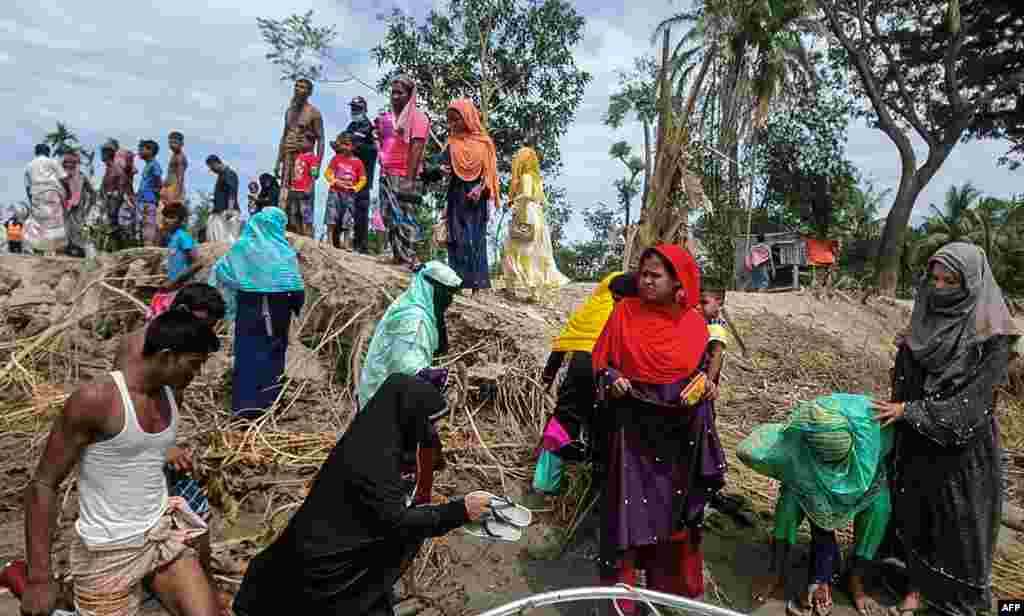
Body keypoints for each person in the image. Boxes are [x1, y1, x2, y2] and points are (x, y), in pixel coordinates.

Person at [232, 373, 490, 616]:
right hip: (321, 577)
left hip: (338, 567)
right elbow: (398, 522)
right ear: (410, 418)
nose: (431, 430)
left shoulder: (376, 436)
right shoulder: (372, 462)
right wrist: (460, 511)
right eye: (429, 422)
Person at [21, 310, 221, 616]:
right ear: (167, 357)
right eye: (194, 365)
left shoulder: (171, 396)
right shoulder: (97, 401)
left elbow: (146, 456)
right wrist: (38, 578)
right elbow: (44, 484)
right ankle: (20, 578)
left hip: (159, 536)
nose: (197, 375)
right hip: (107, 550)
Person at [874, 242, 1019, 616]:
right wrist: (906, 358)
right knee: (913, 513)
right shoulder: (922, 319)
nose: (938, 288)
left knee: (953, 524)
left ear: (970, 283)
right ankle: (912, 588)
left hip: (961, 450)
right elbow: (906, 378)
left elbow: (972, 404)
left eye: (949, 281)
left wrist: (910, 409)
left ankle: (935, 596)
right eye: (934, 278)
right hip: (915, 440)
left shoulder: (992, 336)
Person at [592, 245, 723, 612]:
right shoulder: (623, 314)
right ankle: (623, 602)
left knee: (674, 518)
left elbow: (702, 377)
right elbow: (602, 363)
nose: (646, 280)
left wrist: (707, 387)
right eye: (643, 273)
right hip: (632, 432)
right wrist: (613, 378)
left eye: (655, 275)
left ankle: (670, 597)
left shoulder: (696, 324)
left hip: (678, 435)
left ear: (677, 282)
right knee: (628, 515)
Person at [740, 394, 894, 616]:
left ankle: (856, 580)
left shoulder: (882, 427)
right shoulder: (807, 429)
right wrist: (820, 575)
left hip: (866, 485)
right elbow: (747, 450)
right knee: (789, 502)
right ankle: (776, 571)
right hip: (810, 474)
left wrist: (820, 575)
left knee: (879, 509)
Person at [358, 261, 462, 504]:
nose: (450, 301)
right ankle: (400, 500)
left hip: (394, 394)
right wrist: (440, 378)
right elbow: (406, 368)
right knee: (409, 447)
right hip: (386, 398)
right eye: (447, 294)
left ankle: (414, 495)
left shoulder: (416, 307)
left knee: (422, 442)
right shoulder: (414, 318)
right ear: (433, 290)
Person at [530, 272, 637, 500]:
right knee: (598, 424)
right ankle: (592, 489)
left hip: (585, 366)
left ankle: (545, 484)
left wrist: (549, 375)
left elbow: (565, 339)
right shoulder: (628, 314)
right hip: (604, 370)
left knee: (565, 419)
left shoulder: (592, 309)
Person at [208, 207, 305, 418]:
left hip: (249, 311)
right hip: (280, 313)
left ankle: (245, 409)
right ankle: (268, 405)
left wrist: (241, 285)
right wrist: (297, 306)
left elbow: (221, 271)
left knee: (247, 356)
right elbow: (296, 285)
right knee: (274, 356)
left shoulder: (243, 247)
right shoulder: (284, 250)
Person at [442, 99, 500, 292]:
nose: (452, 125)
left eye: (455, 120)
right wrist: (436, 169)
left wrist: (481, 188)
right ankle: (456, 282)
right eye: (449, 121)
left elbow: (490, 172)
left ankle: (478, 284)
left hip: (477, 200)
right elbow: (438, 165)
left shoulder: (484, 144)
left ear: (467, 118)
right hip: (456, 198)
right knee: (456, 240)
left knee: (474, 239)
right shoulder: (451, 143)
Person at [501, 146, 569, 302]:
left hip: (525, 213)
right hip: (536, 216)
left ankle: (510, 289)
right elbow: (541, 200)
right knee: (533, 253)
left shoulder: (525, 176)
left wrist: (512, 201)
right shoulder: (537, 178)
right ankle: (534, 293)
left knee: (511, 249)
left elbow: (526, 195)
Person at [376, 75, 430, 267]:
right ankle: (397, 255)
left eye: (400, 93)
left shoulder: (418, 118)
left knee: (406, 218)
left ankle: (410, 257)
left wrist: (409, 179)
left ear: (410, 95)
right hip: (387, 173)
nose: (395, 96)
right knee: (387, 215)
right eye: (393, 92)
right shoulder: (387, 119)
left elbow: (416, 148)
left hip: (406, 175)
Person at [276, 78, 324, 206]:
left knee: (302, 198)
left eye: (302, 87)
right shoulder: (289, 111)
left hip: (304, 159)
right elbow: (284, 135)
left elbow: (321, 140)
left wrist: (317, 165)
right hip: (287, 157)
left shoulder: (314, 113)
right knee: (284, 196)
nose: (298, 89)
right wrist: (278, 161)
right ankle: (285, 224)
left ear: (309, 92)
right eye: (297, 86)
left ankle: (301, 225)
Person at [324, 132, 368, 249]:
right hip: (335, 191)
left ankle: (347, 242)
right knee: (331, 214)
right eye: (343, 144)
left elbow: (363, 179)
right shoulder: (336, 158)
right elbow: (327, 173)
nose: (344, 147)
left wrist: (355, 188)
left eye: (347, 144)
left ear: (353, 146)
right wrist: (334, 181)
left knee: (348, 217)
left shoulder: (358, 162)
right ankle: (329, 240)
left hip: (349, 194)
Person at [346, 96, 378, 254]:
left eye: (357, 108)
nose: (354, 111)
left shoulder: (369, 127)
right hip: (348, 174)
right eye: (353, 108)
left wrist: (357, 148)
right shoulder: (351, 126)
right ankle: (349, 242)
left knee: (361, 208)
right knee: (347, 208)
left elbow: (374, 150)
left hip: (363, 174)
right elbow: (343, 142)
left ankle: (362, 246)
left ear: (364, 109)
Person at [23, 143, 67, 255]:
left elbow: (28, 187)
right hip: (52, 193)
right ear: (48, 152)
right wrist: (68, 192)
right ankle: (54, 250)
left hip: (36, 195)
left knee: (39, 223)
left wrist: (31, 200)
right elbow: (63, 179)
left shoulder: (29, 166)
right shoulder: (52, 162)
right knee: (55, 222)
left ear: (36, 152)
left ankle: (36, 248)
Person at [99, 140, 136, 251]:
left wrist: (115, 207)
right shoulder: (108, 169)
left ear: (108, 153)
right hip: (110, 202)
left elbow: (121, 187)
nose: (102, 154)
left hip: (117, 203)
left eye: (103, 152)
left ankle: (123, 251)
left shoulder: (116, 168)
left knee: (120, 229)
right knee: (112, 229)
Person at [61, 150, 97, 258]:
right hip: (66, 211)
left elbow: (93, 193)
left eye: (72, 163)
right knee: (67, 233)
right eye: (66, 163)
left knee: (78, 232)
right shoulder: (62, 178)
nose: (69, 165)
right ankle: (71, 253)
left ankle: (90, 254)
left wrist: (88, 208)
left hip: (78, 211)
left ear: (76, 164)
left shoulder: (81, 177)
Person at [160, 202, 200, 292]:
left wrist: (175, 281)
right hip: (175, 287)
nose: (167, 220)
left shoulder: (183, 237)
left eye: (171, 218)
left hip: (185, 287)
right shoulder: (172, 238)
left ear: (180, 220)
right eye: (166, 217)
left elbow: (197, 263)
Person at [285, 133, 320, 236]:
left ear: (310, 143)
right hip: (294, 188)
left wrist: (310, 187)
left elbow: (314, 174)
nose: (300, 143)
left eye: (302, 141)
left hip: (304, 189)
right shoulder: (299, 156)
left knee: (305, 211)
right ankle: (299, 231)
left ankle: (308, 232)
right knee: (295, 212)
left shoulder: (312, 158)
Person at [205, 155, 240, 243]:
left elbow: (232, 192)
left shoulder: (229, 173)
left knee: (228, 241)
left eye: (211, 167)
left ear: (216, 163)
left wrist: (230, 209)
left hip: (227, 212)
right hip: (219, 211)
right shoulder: (221, 175)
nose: (212, 171)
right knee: (216, 239)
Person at [137, 140, 163, 246]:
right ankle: (146, 244)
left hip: (149, 199)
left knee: (149, 223)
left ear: (150, 151)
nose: (139, 151)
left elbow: (158, 179)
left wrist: (156, 191)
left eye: (141, 149)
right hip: (143, 198)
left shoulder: (154, 165)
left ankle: (149, 246)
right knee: (143, 224)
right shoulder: (148, 165)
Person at [163, 132, 188, 205]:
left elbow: (180, 177)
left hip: (175, 188)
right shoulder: (174, 155)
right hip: (169, 187)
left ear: (181, 144)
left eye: (175, 142)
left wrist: (177, 195)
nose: (172, 145)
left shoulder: (180, 157)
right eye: (170, 142)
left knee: (172, 213)